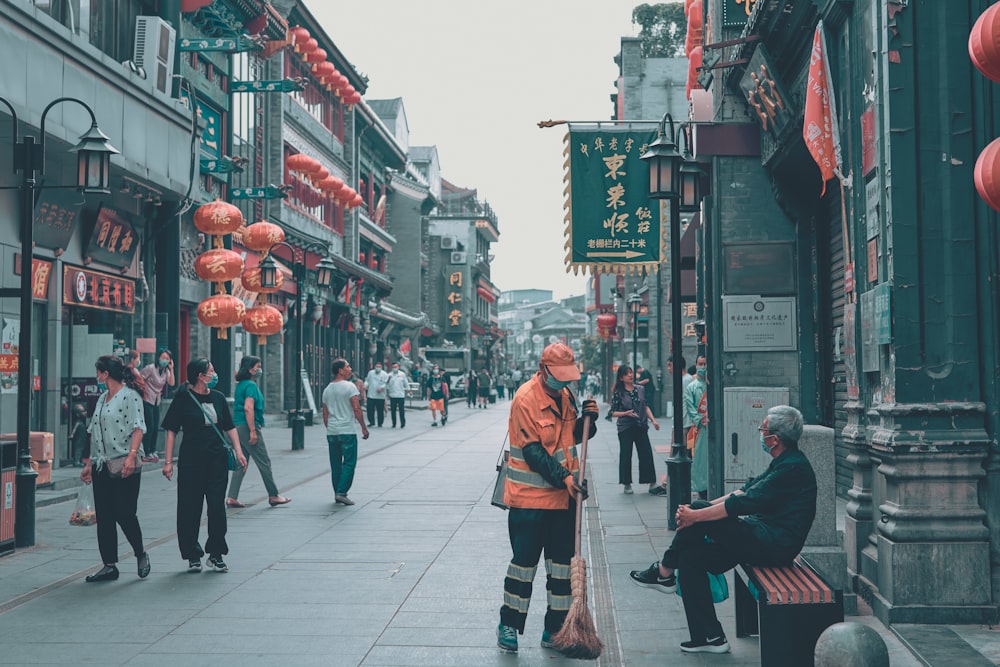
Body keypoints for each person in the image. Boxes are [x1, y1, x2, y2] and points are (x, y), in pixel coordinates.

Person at [629, 405, 817, 654]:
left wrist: (696, 513)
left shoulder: (793, 468)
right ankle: (710, 637)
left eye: (763, 429)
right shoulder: (783, 462)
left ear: (775, 439)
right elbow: (745, 491)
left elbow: (742, 503)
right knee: (690, 559)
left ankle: (664, 571)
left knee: (697, 514)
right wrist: (698, 512)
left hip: (774, 546)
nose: (760, 433)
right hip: (760, 536)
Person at [496, 342, 598, 654]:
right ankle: (509, 625)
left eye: (568, 376)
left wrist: (588, 423)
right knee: (523, 567)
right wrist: (565, 478)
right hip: (530, 502)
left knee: (562, 572)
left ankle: (556, 630)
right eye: (559, 376)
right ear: (543, 370)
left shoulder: (567, 395)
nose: (564, 382)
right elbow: (534, 452)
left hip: (565, 500)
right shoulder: (525, 398)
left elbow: (570, 440)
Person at [161, 358, 247, 573]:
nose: (214, 373)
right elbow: (171, 430)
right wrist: (168, 462)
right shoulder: (183, 399)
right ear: (200, 375)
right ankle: (192, 554)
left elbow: (229, 427)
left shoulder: (217, 398)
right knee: (190, 508)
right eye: (211, 370)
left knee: (217, 508)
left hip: (216, 460)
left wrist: (238, 450)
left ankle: (216, 554)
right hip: (191, 461)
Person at [80, 355, 150, 582]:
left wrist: (131, 457)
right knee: (105, 516)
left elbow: (138, 428)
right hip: (101, 463)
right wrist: (89, 463)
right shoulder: (101, 399)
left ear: (105, 373)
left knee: (125, 513)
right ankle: (109, 565)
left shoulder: (130, 397)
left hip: (124, 462)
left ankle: (140, 553)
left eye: (98, 371)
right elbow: (95, 432)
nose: (96, 376)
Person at [226, 356, 290, 509]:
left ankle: (232, 497)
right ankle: (273, 495)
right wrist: (253, 431)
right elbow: (249, 408)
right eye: (257, 366)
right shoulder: (251, 385)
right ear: (250, 369)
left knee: (241, 463)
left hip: (238, 427)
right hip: (248, 427)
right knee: (264, 461)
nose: (259, 369)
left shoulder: (241, 385)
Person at [609, 365, 664, 496]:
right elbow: (612, 413)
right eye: (627, 374)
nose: (630, 375)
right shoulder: (619, 392)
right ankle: (626, 484)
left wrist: (653, 420)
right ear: (621, 378)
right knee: (626, 454)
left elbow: (645, 406)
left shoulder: (640, 389)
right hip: (625, 427)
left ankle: (651, 482)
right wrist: (625, 414)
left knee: (646, 453)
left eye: (631, 372)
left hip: (640, 426)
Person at [322, 359, 369, 505]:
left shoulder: (327, 389)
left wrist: (330, 427)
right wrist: (363, 427)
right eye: (348, 366)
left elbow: (325, 412)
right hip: (347, 430)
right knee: (349, 462)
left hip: (332, 431)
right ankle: (341, 492)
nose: (350, 369)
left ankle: (337, 491)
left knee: (335, 464)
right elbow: (356, 408)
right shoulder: (350, 387)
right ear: (340, 370)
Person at [138, 347, 175, 462]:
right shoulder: (150, 368)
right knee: (149, 426)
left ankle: (153, 450)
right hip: (147, 399)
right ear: (158, 357)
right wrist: (143, 391)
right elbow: (139, 378)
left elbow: (171, 383)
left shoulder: (166, 371)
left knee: (155, 427)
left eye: (167, 359)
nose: (164, 360)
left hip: (156, 401)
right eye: (163, 357)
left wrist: (172, 369)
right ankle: (146, 451)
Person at [685, 356, 709, 498]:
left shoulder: (712, 384)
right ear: (696, 365)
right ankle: (701, 489)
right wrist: (701, 420)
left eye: (705, 364)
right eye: (700, 364)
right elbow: (691, 409)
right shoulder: (691, 387)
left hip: (711, 426)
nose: (703, 367)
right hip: (700, 428)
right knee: (699, 461)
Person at [364, 362, 389, 427]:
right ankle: (371, 422)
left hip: (380, 396)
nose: (378, 368)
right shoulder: (371, 373)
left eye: (379, 366)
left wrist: (381, 388)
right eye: (377, 366)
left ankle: (380, 422)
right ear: (374, 367)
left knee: (380, 410)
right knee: (370, 409)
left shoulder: (384, 374)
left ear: (381, 367)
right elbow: (367, 380)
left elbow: (386, 383)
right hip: (371, 394)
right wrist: (365, 385)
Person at [386, 361, 409, 428]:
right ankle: (394, 423)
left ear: (398, 367)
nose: (394, 368)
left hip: (400, 394)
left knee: (401, 410)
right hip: (392, 395)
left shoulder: (402, 374)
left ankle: (402, 423)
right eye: (393, 367)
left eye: (396, 367)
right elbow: (387, 385)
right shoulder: (389, 375)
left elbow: (406, 383)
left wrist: (408, 390)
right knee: (393, 410)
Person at [69, 403, 89, 467]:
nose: (84, 413)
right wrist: (72, 435)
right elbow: (74, 429)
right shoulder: (78, 423)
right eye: (82, 412)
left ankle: (79, 460)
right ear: (77, 414)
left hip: (82, 438)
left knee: (81, 449)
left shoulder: (81, 422)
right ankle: (76, 461)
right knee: (78, 449)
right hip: (79, 438)